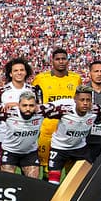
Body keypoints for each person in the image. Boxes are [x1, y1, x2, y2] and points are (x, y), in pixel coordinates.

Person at [32, 48, 82, 178]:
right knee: (48, 171)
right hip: (47, 131)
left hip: (69, 132)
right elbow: (35, 102)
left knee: (71, 173)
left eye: (63, 59)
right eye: (57, 59)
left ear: (68, 61)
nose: (61, 62)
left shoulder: (76, 79)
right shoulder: (41, 79)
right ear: (52, 61)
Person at [42, 86, 101, 185]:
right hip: (59, 148)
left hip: (79, 148)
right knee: (53, 182)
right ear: (75, 99)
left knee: (85, 180)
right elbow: (41, 110)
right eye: (82, 100)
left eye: (88, 100)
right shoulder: (64, 109)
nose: (85, 103)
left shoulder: (96, 111)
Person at [0, 91, 44, 178]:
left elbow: (61, 104)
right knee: (7, 183)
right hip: (10, 152)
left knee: (33, 183)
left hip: (30, 153)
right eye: (24, 105)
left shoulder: (41, 112)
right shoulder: (9, 113)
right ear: (19, 105)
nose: (28, 108)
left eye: (31, 105)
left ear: (36, 105)